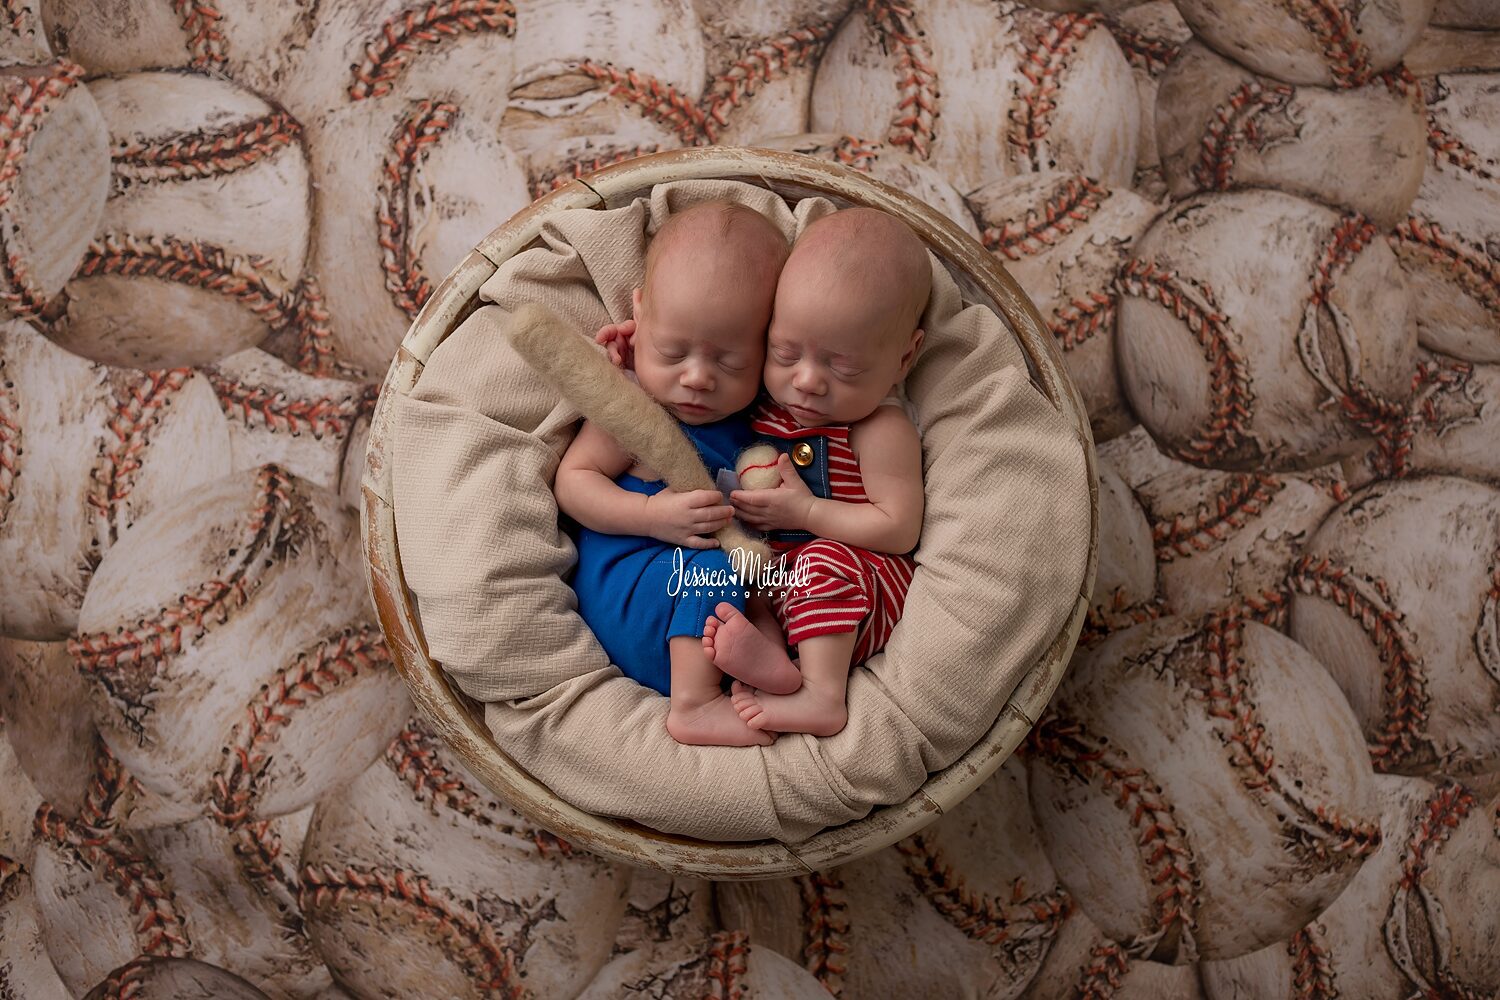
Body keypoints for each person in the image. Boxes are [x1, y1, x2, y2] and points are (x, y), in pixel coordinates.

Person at [555, 200, 801, 747]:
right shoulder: (637, 405)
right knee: (712, 564)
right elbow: (574, 482)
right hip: (633, 590)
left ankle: (762, 655)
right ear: (637, 316)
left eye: (730, 362)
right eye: (672, 350)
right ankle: (694, 704)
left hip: (709, 607)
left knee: (774, 572)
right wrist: (650, 514)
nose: (696, 378)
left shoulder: (757, 412)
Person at [703, 207, 930, 738]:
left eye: (843, 367)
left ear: (904, 358)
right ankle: (771, 664)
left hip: (857, 590)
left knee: (820, 562)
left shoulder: (877, 427)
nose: (806, 382)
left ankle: (822, 695)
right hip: (777, 579)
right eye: (785, 352)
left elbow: (898, 529)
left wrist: (806, 511)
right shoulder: (762, 399)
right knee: (703, 572)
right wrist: (636, 351)